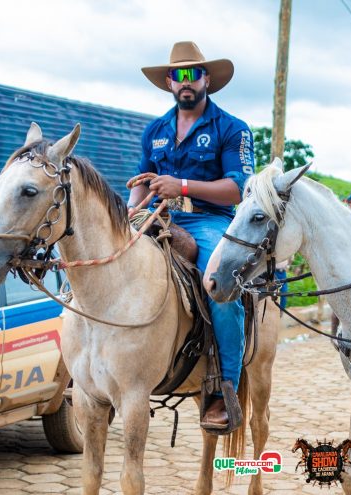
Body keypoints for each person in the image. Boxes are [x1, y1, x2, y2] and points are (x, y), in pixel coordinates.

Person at [128, 41, 254, 429]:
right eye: (177, 75)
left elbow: (238, 189)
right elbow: (141, 183)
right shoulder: (155, 130)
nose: (185, 82)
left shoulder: (232, 129)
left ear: (206, 79)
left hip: (211, 221)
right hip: (157, 216)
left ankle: (224, 390)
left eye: (192, 74)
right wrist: (131, 213)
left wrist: (182, 185)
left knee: (219, 285)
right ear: (168, 82)